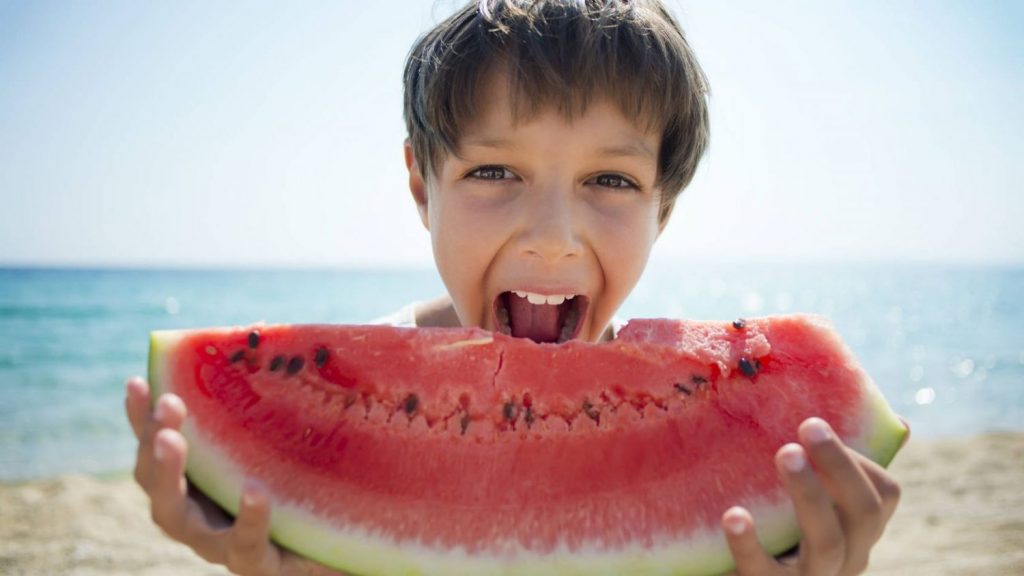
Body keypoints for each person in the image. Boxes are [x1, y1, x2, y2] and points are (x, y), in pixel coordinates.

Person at [124, 1, 903, 574]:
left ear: (662, 209)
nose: (552, 236)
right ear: (422, 187)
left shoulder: (731, 484)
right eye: (494, 171)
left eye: (611, 179)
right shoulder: (339, 412)